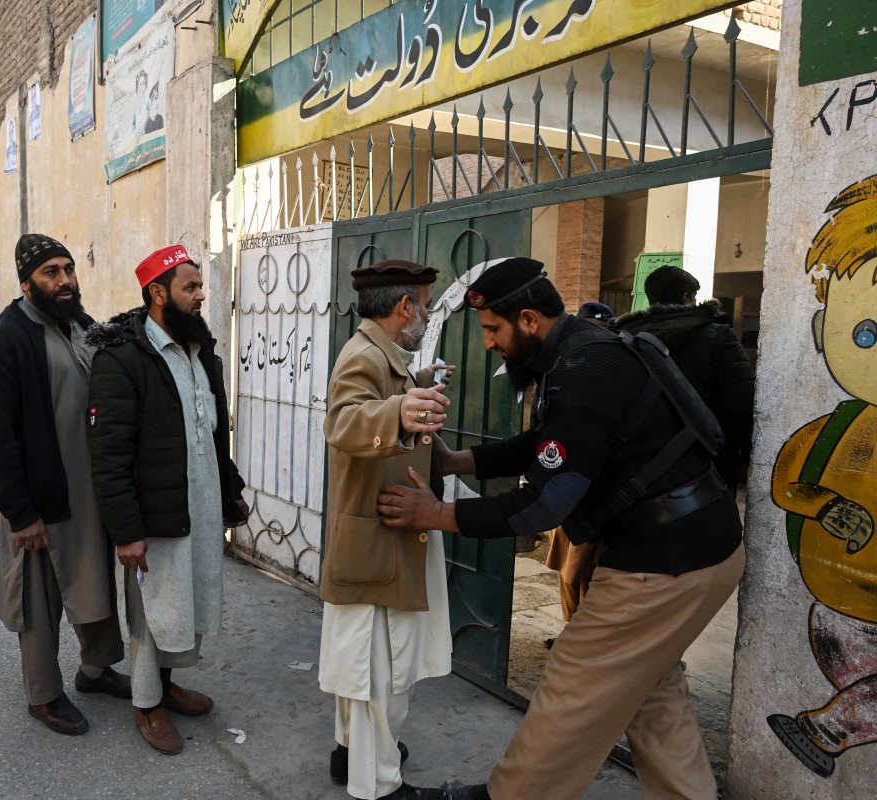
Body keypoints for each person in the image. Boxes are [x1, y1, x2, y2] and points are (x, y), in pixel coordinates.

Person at [376, 257, 745, 800]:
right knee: (650, 694)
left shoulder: (586, 369)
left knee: (575, 681)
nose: (488, 345)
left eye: (493, 330)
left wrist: (437, 515)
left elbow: (542, 505)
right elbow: (544, 446)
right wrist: (460, 463)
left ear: (528, 320)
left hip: (664, 558)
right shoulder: (581, 350)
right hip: (699, 547)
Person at [87, 244, 249, 755]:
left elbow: (212, 433)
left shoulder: (201, 353)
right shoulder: (122, 359)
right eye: (190, 288)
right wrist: (127, 531)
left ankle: (165, 684)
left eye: (200, 286)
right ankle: (147, 704)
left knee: (182, 607)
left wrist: (229, 494)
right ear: (158, 293)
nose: (201, 296)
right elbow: (108, 453)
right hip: (152, 516)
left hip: (196, 507)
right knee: (149, 610)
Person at [0, 233, 128, 736]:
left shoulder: (79, 324)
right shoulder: (6, 339)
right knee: (40, 601)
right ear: (26, 283)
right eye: (50, 273)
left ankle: (96, 670)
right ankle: (43, 695)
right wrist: (20, 512)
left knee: (93, 581)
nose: (64, 280)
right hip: (40, 500)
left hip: (89, 493)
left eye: (67, 269)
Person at [319, 259, 454, 800]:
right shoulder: (363, 356)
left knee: (363, 660)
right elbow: (344, 422)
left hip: (379, 535)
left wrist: (417, 386)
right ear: (405, 307)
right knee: (377, 671)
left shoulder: (383, 355)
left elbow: (378, 399)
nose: (425, 312)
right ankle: (378, 785)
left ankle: (348, 753)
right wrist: (402, 409)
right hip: (373, 539)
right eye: (423, 302)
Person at [767, 175, 877, 776]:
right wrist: (825, 504)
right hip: (837, 613)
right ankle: (832, 726)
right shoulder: (833, 429)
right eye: (868, 334)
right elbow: (787, 482)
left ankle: (828, 727)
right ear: (821, 331)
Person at [615, 265, 756, 495]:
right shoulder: (718, 336)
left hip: (642, 467)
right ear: (687, 297)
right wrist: (750, 456)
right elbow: (742, 402)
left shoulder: (626, 340)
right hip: (710, 466)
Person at [541, 299, 614, 631]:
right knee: (569, 570)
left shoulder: (619, 369)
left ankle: (584, 632)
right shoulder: (560, 366)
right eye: (591, 329)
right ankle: (571, 627)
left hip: (600, 491)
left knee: (594, 570)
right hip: (568, 488)